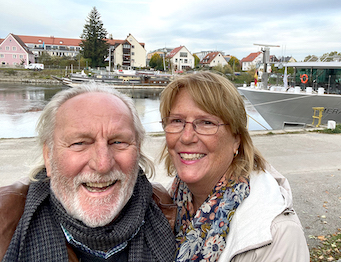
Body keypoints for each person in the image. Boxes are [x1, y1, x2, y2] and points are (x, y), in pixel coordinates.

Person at [0, 85, 176, 261]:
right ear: (48, 156)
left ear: (137, 151)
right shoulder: (5, 222)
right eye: (79, 143)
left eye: (117, 142)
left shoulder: (164, 207)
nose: (102, 164)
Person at [159, 72, 310, 261]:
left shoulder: (278, 235)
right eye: (177, 121)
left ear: (236, 140)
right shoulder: (163, 201)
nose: (187, 136)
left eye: (206, 122)